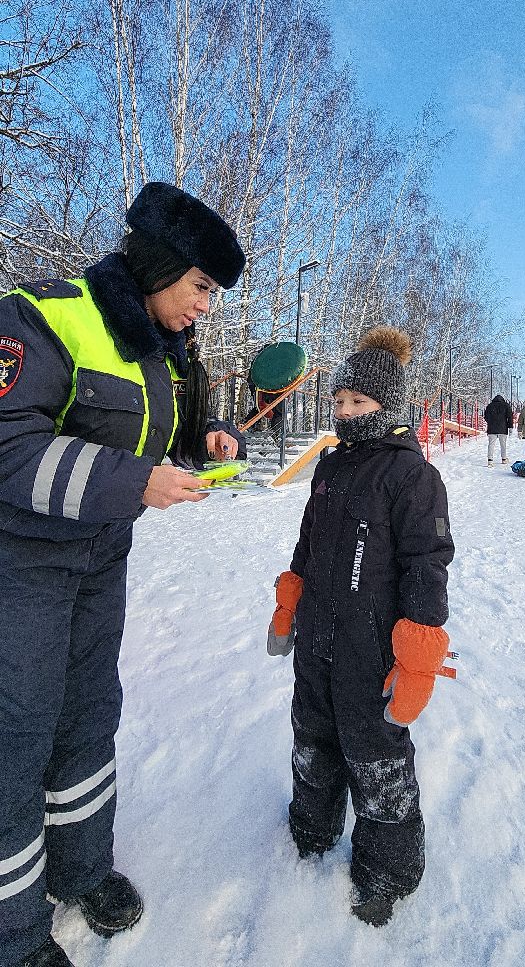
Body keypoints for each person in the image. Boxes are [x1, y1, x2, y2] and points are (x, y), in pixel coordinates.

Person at [0, 182, 246, 967]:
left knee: (88, 712)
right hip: (22, 566)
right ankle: (12, 930)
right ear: (164, 264)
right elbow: (8, 447)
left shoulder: (163, 352)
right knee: (17, 730)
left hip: (101, 561)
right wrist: (134, 482)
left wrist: (203, 437)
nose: (207, 306)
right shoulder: (43, 315)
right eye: (202, 286)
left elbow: (151, 429)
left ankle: (80, 868)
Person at [267, 326, 455, 927]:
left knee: (375, 755)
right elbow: (307, 543)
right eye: (341, 401)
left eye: (360, 403)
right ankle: (311, 828)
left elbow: (426, 564)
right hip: (318, 634)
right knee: (313, 738)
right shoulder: (328, 467)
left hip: (372, 646)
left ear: (386, 406)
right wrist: (289, 604)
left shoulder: (410, 475)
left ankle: (388, 870)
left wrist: (419, 653)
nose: (346, 413)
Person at [483, 393, 514, 466]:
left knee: (491, 444)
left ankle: (490, 460)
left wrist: (490, 422)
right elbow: (510, 417)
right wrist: (510, 427)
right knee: (503, 444)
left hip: (491, 428)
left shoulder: (490, 406)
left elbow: (486, 416)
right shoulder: (506, 405)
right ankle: (504, 459)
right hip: (503, 428)